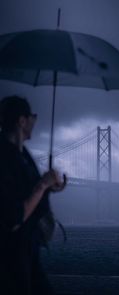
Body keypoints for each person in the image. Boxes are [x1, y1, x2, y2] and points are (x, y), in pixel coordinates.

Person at [0, 95, 66, 295]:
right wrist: (42, 184)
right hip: (11, 256)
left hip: (28, 251)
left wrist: (50, 187)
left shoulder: (22, 155)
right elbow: (13, 218)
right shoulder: (4, 157)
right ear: (22, 120)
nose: (35, 121)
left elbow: (30, 190)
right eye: (33, 116)